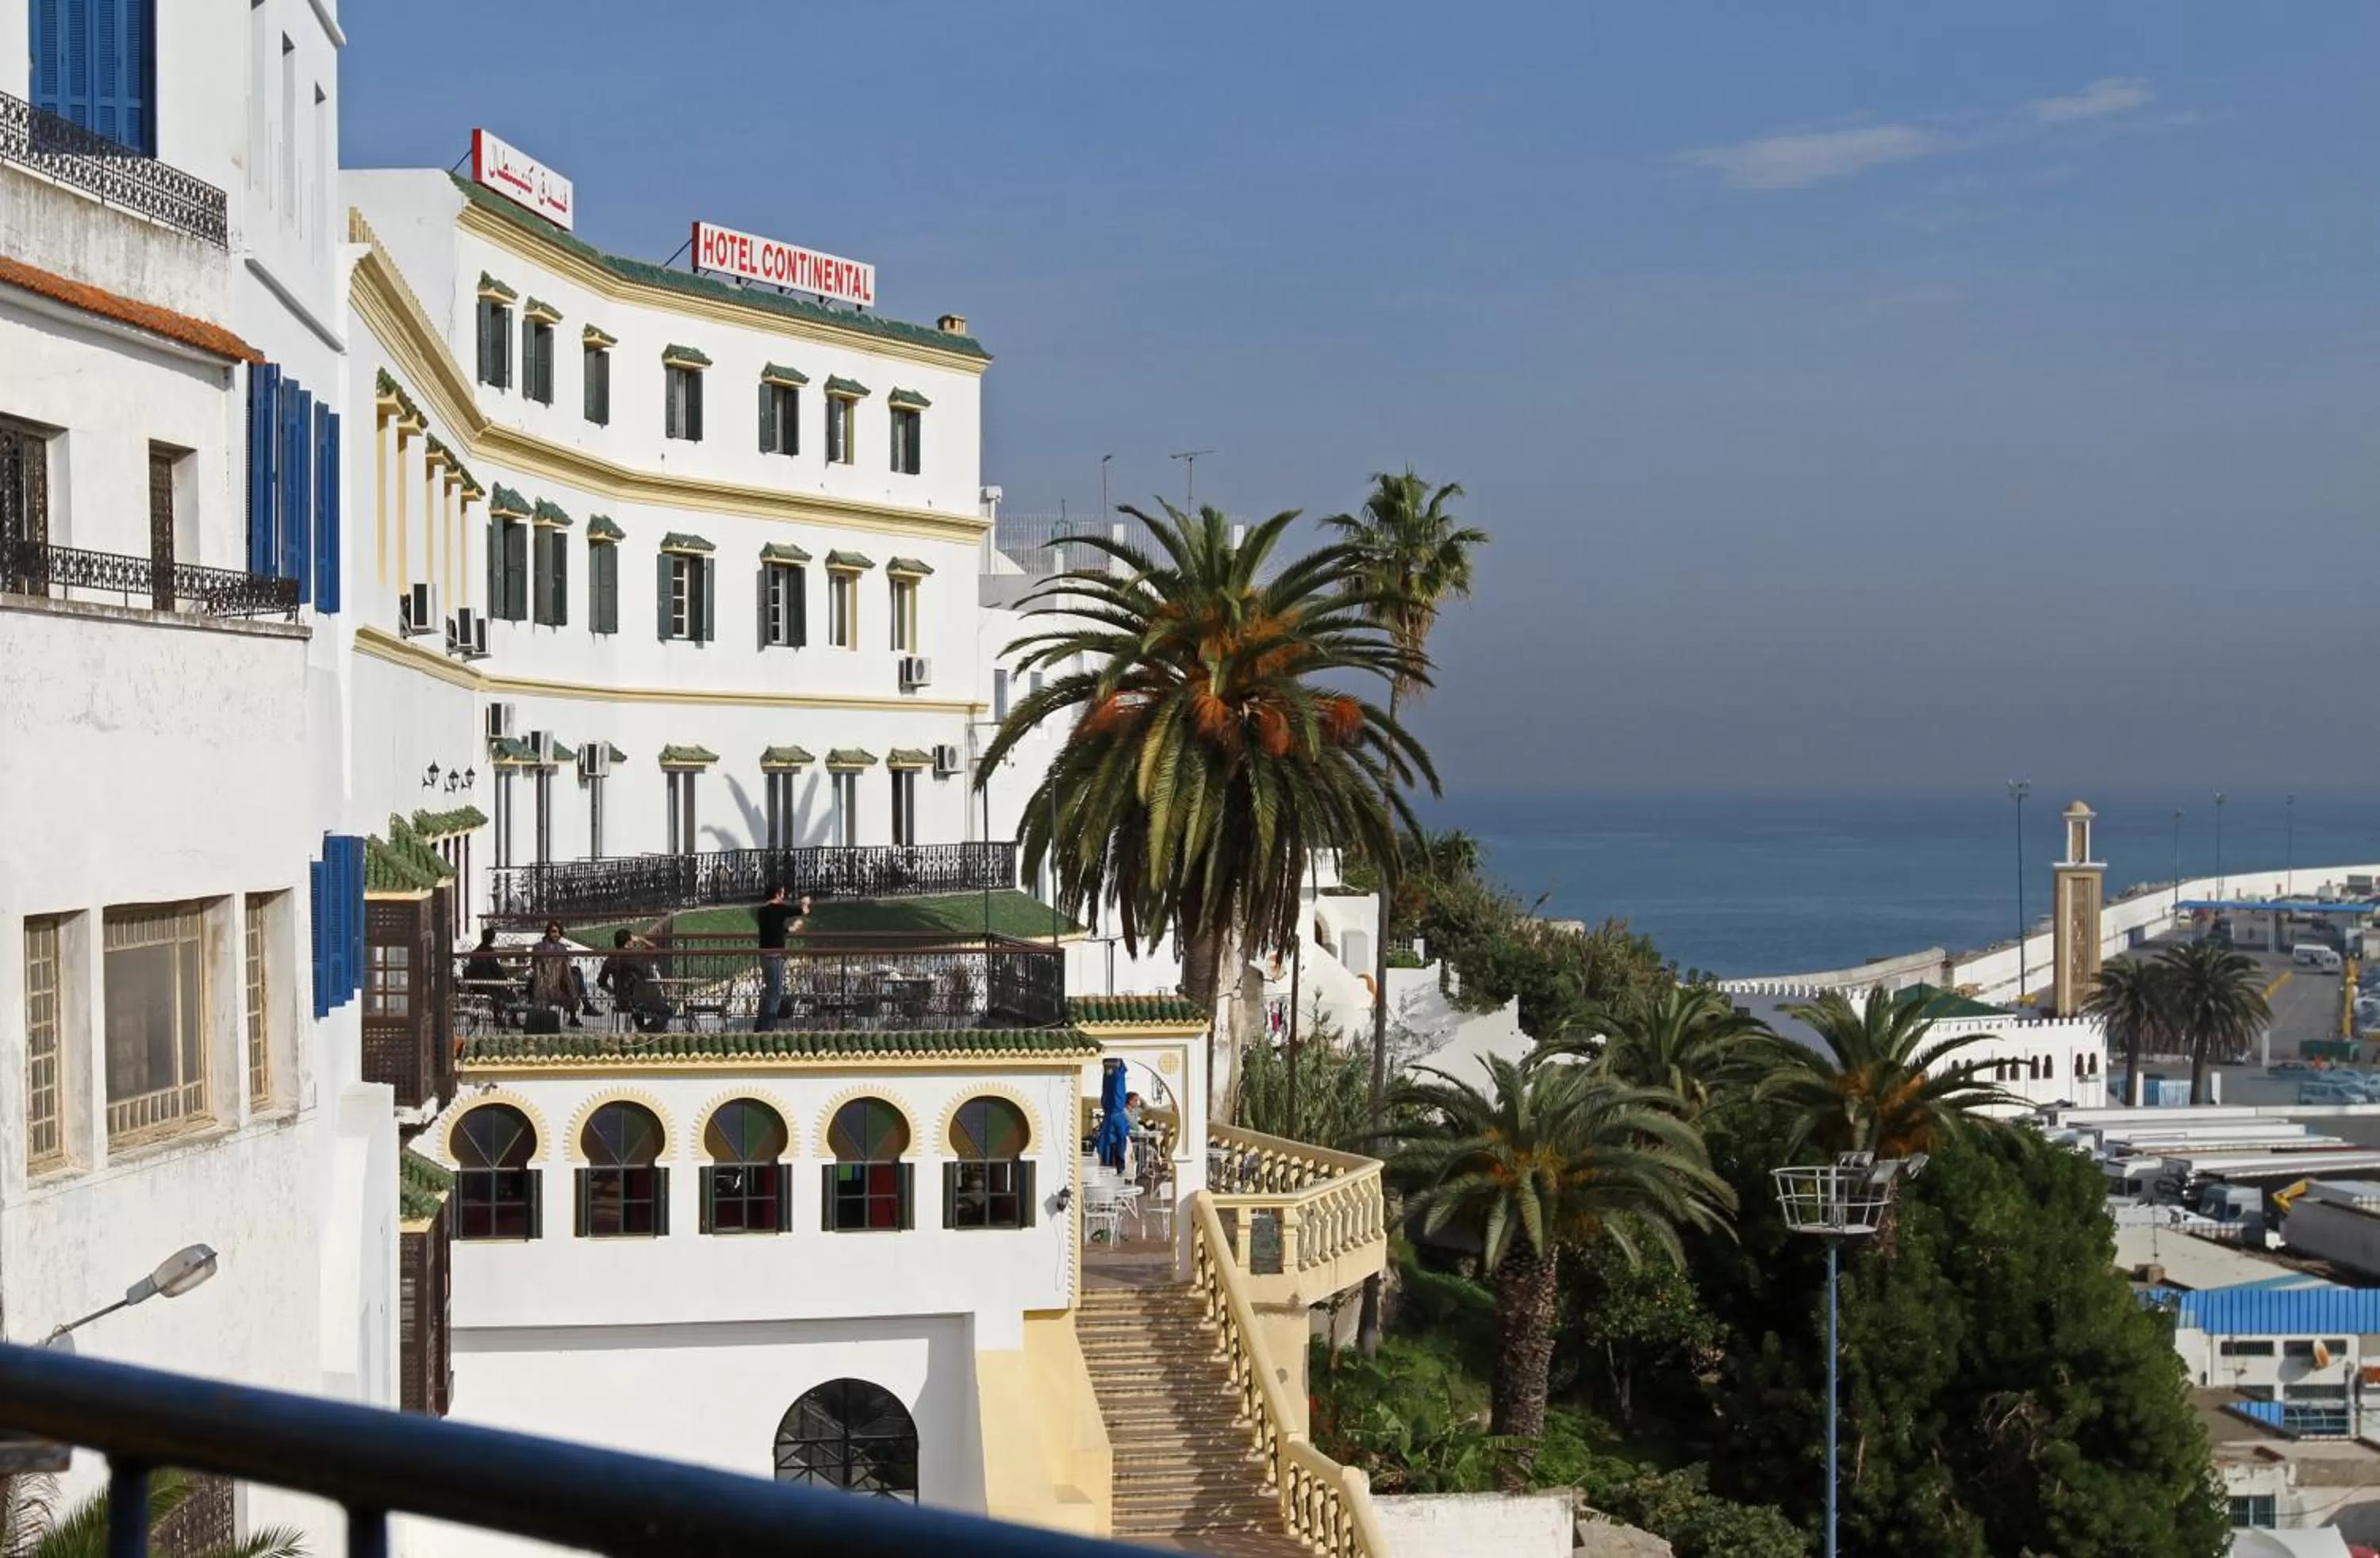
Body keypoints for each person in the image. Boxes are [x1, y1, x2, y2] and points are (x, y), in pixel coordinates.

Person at [753, 887, 810, 1033]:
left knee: (769, 991)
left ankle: (760, 1025)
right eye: (783, 893)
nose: (784, 896)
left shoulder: (762, 911)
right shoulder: (778, 909)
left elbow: (774, 930)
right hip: (775, 957)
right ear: (777, 894)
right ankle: (769, 1028)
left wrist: (791, 929)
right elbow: (803, 911)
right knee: (775, 993)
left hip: (764, 956)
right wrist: (805, 902)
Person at [598, 929, 671, 1034]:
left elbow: (601, 982)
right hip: (641, 1001)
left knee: (637, 1007)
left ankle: (643, 1030)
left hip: (622, 1002)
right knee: (667, 1011)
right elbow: (656, 950)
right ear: (628, 943)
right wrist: (642, 940)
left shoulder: (610, 959)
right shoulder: (638, 955)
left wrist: (615, 993)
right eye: (632, 940)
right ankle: (645, 1030)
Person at [527, 920, 587, 1029]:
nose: (557, 935)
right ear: (548, 932)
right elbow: (535, 966)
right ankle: (581, 1006)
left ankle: (577, 1010)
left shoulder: (562, 948)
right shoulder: (539, 947)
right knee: (575, 977)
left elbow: (565, 970)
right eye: (554, 931)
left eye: (559, 932)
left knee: (574, 977)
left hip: (559, 984)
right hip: (544, 985)